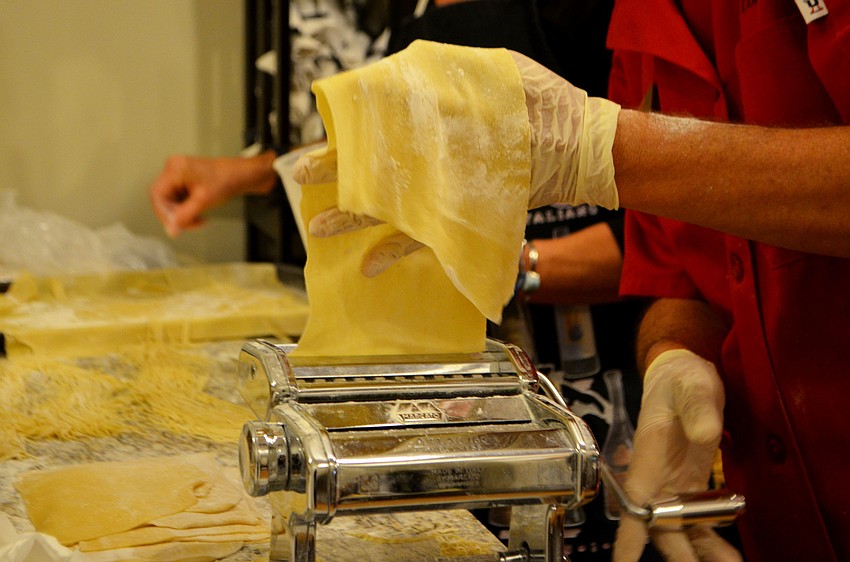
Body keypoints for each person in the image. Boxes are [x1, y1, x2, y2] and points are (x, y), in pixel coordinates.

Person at [290, 41, 850, 562]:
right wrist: (676, 350)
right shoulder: (644, 27)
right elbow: (680, 263)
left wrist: (604, 147)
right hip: (767, 497)